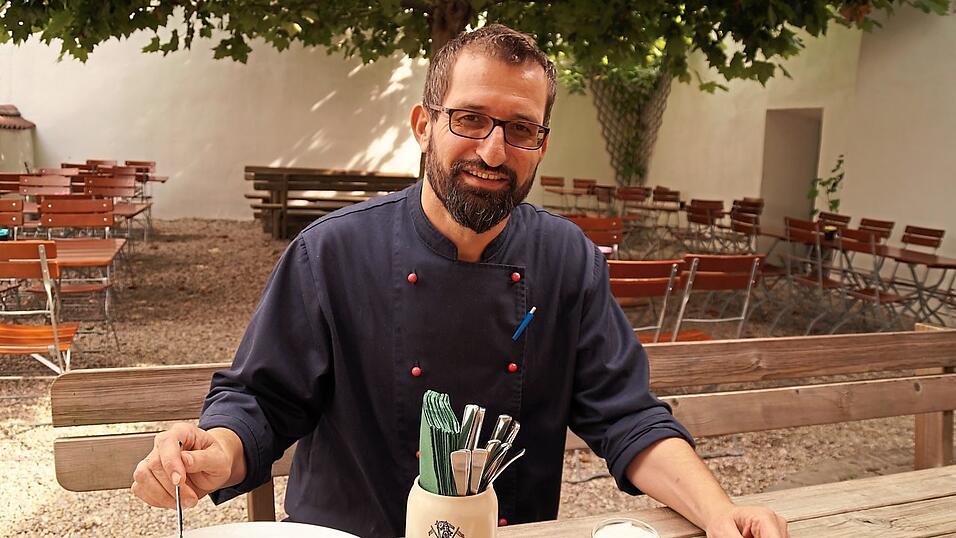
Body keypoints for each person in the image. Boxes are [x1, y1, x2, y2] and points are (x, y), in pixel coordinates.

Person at [132, 24, 789, 538]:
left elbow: (628, 418)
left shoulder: (568, 260)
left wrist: (718, 510)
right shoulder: (329, 252)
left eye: (521, 128)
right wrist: (214, 453)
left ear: (542, 145)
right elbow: (263, 402)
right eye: (470, 119)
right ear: (424, 126)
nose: (494, 151)